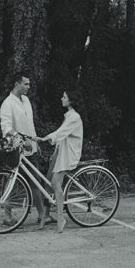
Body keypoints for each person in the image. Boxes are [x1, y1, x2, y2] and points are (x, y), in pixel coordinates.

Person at [0, 73, 48, 226]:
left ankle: (42, 215)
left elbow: (29, 124)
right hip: (17, 150)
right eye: (26, 84)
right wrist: (19, 139)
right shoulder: (7, 103)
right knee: (12, 182)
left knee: (36, 181)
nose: (28, 87)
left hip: (30, 149)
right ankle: (7, 217)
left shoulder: (26, 100)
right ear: (16, 84)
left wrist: (34, 142)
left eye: (29, 84)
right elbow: (6, 127)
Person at [39, 90, 83, 234]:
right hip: (60, 152)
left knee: (55, 184)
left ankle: (60, 218)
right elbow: (62, 134)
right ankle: (45, 215)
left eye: (64, 97)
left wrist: (47, 137)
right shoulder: (69, 115)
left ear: (71, 100)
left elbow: (62, 132)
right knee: (48, 182)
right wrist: (54, 150)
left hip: (68, 154)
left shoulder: (74, 117)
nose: (61, 98)